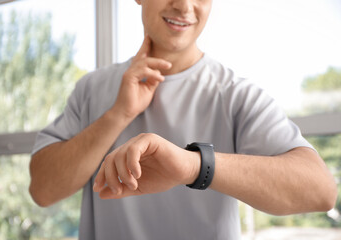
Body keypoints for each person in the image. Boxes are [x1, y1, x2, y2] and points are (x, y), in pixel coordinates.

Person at [29, 0, 337, 239]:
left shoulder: (234, 95)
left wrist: (193, 166)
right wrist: (118, 114)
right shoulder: (91, 88)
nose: (184, 5)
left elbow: (321, 191)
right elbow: (42, 189)